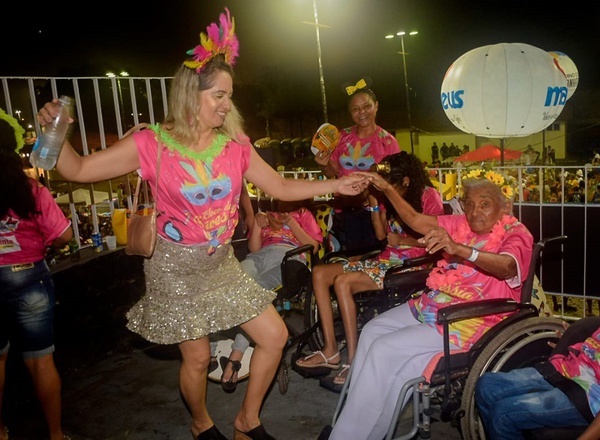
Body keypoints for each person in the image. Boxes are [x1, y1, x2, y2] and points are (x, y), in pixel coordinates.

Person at [36, 9, 368, 440]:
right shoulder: (150, 143)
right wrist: (54, 135)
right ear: (191, 94)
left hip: (221, 267)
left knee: (274, 337)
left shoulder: (236, 146)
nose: (227, 104)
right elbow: (77, 171)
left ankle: (247, 421)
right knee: (195, 360)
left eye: (229, 95)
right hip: (174, 271)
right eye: (219, 95)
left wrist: (337, 183)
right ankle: (200, 422)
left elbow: (283, 188)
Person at [324, 168, 534, 440]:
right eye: (469, 204)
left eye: (485, 204)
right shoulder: (461, 224)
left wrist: (461, 250)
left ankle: (345, 436)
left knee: (383, 350)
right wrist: (386, 188)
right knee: (373, 331)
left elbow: (507, 267)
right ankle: (366, 428)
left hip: (470, 321)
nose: (474, 212)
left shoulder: (516, 233)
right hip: (433, 306)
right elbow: (415, 220)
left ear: (505, 206)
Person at [295, 152, 444, 389]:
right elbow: (381, 236)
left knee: (343, 282)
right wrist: (375, 205)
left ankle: (354, 360)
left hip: (413, 266)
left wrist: (406, 242)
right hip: (387, 259)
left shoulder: (428, 196)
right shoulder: (387, 197)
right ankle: (331, 350)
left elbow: (438, 240)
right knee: (320, 273)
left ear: (406, 181)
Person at [0, 108, 73, 440]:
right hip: (29, 276)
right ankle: (55, 434)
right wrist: (44, 242)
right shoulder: (31, 190)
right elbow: (65, 235)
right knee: (41, 361)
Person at [217, 202, 323, 393]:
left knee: (254, 292)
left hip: (290, 259)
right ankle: (223, 334)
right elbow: (254, 249)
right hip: (260, 257)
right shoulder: (267, 215)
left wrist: (291, 222)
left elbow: (313, 247)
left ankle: (237, 353)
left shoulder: (302, 214)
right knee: (232, 282)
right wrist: (258, 224)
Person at [476, 317, 600, 439]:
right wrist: (575, 342)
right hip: (567, 369)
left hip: (588, 396)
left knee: (502, 415)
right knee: (486, 385)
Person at [314, 78, 400, 255]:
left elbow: (394, 181)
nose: (362, 112)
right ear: (350, 112)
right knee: (350, 260)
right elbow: (332, 173)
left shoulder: (388, 142)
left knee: (373, 259)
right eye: (356, 109)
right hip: (345, 210)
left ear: (376, 106)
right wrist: (323, 165)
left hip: (375, 213)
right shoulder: (341, 137)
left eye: (367, 106)